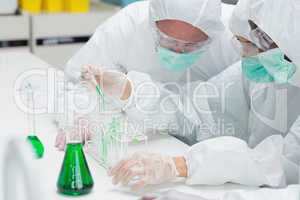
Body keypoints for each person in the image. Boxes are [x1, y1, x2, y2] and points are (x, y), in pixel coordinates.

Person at [108, 0, 300, 198]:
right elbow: (198, 110)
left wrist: (184, 166)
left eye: (253, 45)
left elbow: (286, 163)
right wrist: (132, 92)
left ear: (289, 40)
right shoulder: (266, 74)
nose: (247, 55)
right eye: (242, 43)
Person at [55, 0, 240, 150]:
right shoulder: (130, 24)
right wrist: (81, 115)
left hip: (212, 150)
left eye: (192, 46)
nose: (178, 52)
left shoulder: (238, 37)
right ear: (153, 22)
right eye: (168, 40)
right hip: (141, 141)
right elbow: (77, 81)